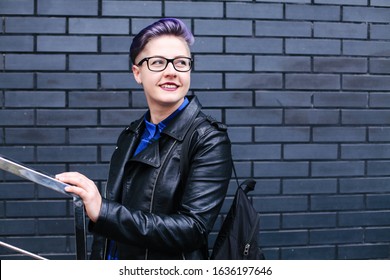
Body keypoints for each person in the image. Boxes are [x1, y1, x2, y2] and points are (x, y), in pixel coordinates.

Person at [55, 18, 232, 260]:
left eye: (181, 63)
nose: (171, 71)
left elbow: (193, 229)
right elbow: (109, 228)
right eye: (158, 62)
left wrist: (103, 210)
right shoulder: (131, 134)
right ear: (137, 73)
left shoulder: (208, 139)